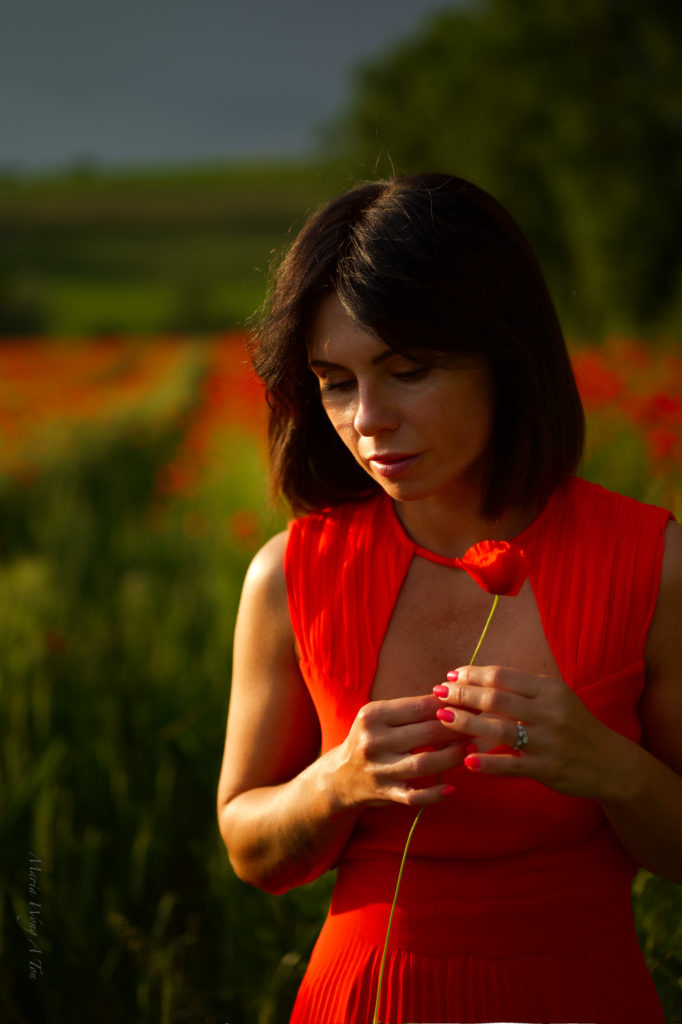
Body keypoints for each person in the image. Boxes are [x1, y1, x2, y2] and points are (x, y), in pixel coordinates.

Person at [217, 173, 682, 1024]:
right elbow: (250, 850)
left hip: (582, 994)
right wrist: (338, 781)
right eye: (336, 381)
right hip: (364, 1000)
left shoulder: (654, 564)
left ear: (506, 356)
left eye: (409, 370)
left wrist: (608, 764)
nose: (368, 420)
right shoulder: (289, 576)